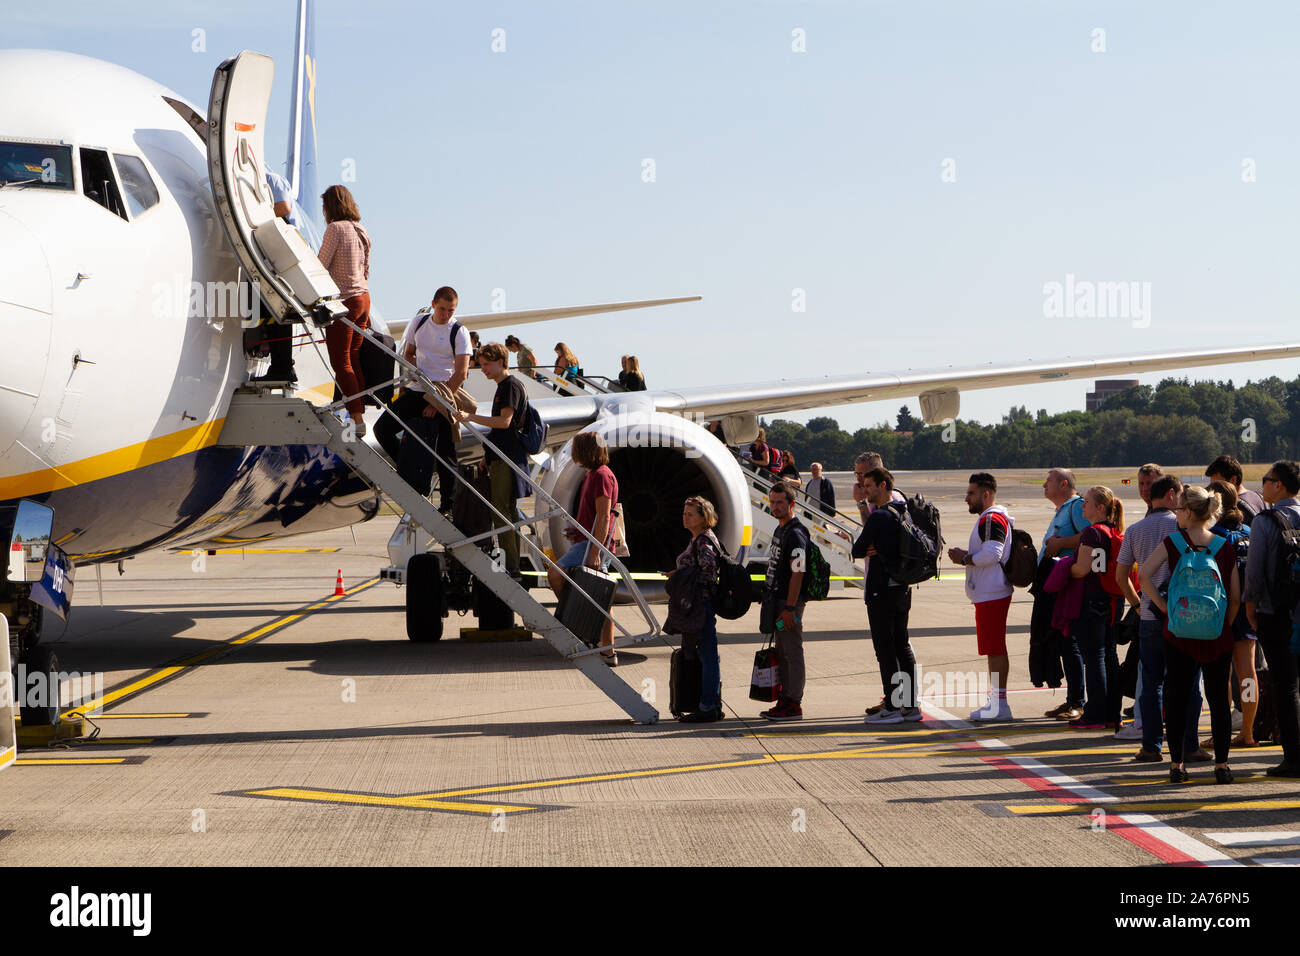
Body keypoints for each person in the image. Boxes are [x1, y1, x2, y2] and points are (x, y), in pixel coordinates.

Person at [1140, 485, 1240, 784]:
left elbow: (1143, 575)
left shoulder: (1173, 542)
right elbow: (1235, 596)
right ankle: (1222, 766)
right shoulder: (1224, 545)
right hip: (1216, 633)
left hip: (1179, 631)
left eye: (1180, 510)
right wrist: (1224, 623)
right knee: (1218, 699)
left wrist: (1164, 608)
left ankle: (1177, 765)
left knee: (1178, 697)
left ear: (1187, 512)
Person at [1115, 475, 1208, 763]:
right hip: (1184, 614)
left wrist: (1138, 604)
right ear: (1171, 495)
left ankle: (1151, 745)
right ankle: (1189, 744)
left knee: (1151, 682)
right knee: (1189, 683)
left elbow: (1122, 576)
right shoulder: (1181, 526)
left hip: (1149, 615)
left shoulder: (1134, 529)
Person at [1243, 460, 1300, 777]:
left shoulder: (1266, 521)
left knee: (1286, 685)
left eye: (1266, 480)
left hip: (1276, 612)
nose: (1262, 485)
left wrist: (1251, 608)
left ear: (1278, 485)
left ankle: (1294, 758)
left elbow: (1255, 571)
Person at [853, 468, 921, 724]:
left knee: (885, 649)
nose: (865, 489)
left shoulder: (879, 516)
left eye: (869, 485)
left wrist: (872, 546)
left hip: (881, 590)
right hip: (902, 587)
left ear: (883, 485)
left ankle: (892, 706)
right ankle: (911, 706)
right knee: (902, 645)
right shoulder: (903, 511)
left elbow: (858, 548)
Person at [394, 286, 471, 512]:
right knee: (383, 428)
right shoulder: (419, 322)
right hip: (418, 389)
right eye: (442, 309)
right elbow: (408, 354)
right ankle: (412, 473)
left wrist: (437, 403)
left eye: (451, 310)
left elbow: (461, 373)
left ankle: (449, 504)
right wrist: (420, 374)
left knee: (446, 452)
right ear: (433, 304)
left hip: (445, 393)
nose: (446, 314)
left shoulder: (459, 331)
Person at [455, 342, 529, 577]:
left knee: (500, 510)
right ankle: (513, 562)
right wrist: (488, 455)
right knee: (508, 510)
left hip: (507, 458)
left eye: (487, 364)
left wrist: (470, 417)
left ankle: (511, 565)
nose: (483, 369)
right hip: (502, 456)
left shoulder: (509, 386)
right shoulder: (505, 386)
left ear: (500, 362)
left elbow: (504, 423)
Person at [546, 431, 620, 664]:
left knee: (556, 575)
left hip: (592, 544)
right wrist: (577, 531)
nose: (572, 453)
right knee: (600, 596)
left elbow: (604, 516)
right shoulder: (593, 475)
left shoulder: (600, 476)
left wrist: (595, 551)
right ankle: (606, 648)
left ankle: (579, 625)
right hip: (586, 539)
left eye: (575, 448)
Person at [947, 473, 1014, 720]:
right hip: (990, 592)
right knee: (994, 648)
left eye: (971, 493)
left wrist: (964, 558)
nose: (967, 498)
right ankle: (997, 701)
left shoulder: (992, 519)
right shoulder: (993, 517)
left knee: (995, 649)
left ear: (986, 494)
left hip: (991, 593)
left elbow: (992, 554)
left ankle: (1000, 705)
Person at [1067, 486, 1125, 730]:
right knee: (1109, 655)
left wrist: (1064, 570)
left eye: (1087, 502)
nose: (1082, 505)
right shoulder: (1115, 531)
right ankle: (1112, 712)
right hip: (1113, 599)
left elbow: (1082, 568)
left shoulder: (1091, 533)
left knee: (1094, 657)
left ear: (1100, 507)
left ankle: (1095, 714)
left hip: (1093, 600)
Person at [316, 184, 371, 435]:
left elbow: (320, 266)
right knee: (355, 357)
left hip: (345, 301)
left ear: (330, 206)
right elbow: (366, 269)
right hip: (364, 298)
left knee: (341, 362)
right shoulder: (361, 230)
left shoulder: (334, 229)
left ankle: (357, 419)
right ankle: (360, 411)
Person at [1208, 480, 1259, 747]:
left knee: (1222, 676)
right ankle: (1248, 731)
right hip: (1250, 611)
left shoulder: (1213, 536)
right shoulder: (1250, 532)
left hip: (1222, 612)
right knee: (1248, 673)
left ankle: (1222, 732)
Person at [1036, 468, 1088, 719]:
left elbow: (1091, 537)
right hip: (1057, 586)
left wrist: (1060, 544)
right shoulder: (1063, 509)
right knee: (1063, 644)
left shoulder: (1076, 507)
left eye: (1049, 481)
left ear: (1064, 484)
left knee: (1071, 644)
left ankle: (1078, 701)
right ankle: (1072, 700)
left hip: (1070, 587)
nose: (1044, 485)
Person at [759, 481, 810, 721]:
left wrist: (790, 608)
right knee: (781, 649)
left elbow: (798, 573)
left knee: (791, 650)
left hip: (789, 605)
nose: (775, 506)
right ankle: (785, 698)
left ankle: (793, 702)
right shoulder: (781, 530)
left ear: (792, 504)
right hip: (778, 602)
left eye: (780, 502)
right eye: (772, 501)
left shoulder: (797, 534)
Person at [671, 496, 724, 723]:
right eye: (684, 513)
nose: (685, 517)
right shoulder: (697, 539)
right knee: (706, 653)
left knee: (708, 654)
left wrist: (685, 578)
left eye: (690, 514)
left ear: (704, 518)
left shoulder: (703, 541)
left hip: (700, 606)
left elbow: (709, 573)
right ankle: (711, 703)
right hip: (697, 605)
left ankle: (708, 704)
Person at [250, 171, 299, 383]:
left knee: (277, 308)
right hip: (270, 249)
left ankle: (283, 366)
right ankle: (279, 363)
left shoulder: (272, 179)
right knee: (268, 308)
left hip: (282, 250)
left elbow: (284, 208)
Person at [1206, 455, 1266, 524]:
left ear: (1233, 479)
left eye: (1218, 484)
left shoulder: (1234, 506)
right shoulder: (1259, 497)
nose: (1213, 489)